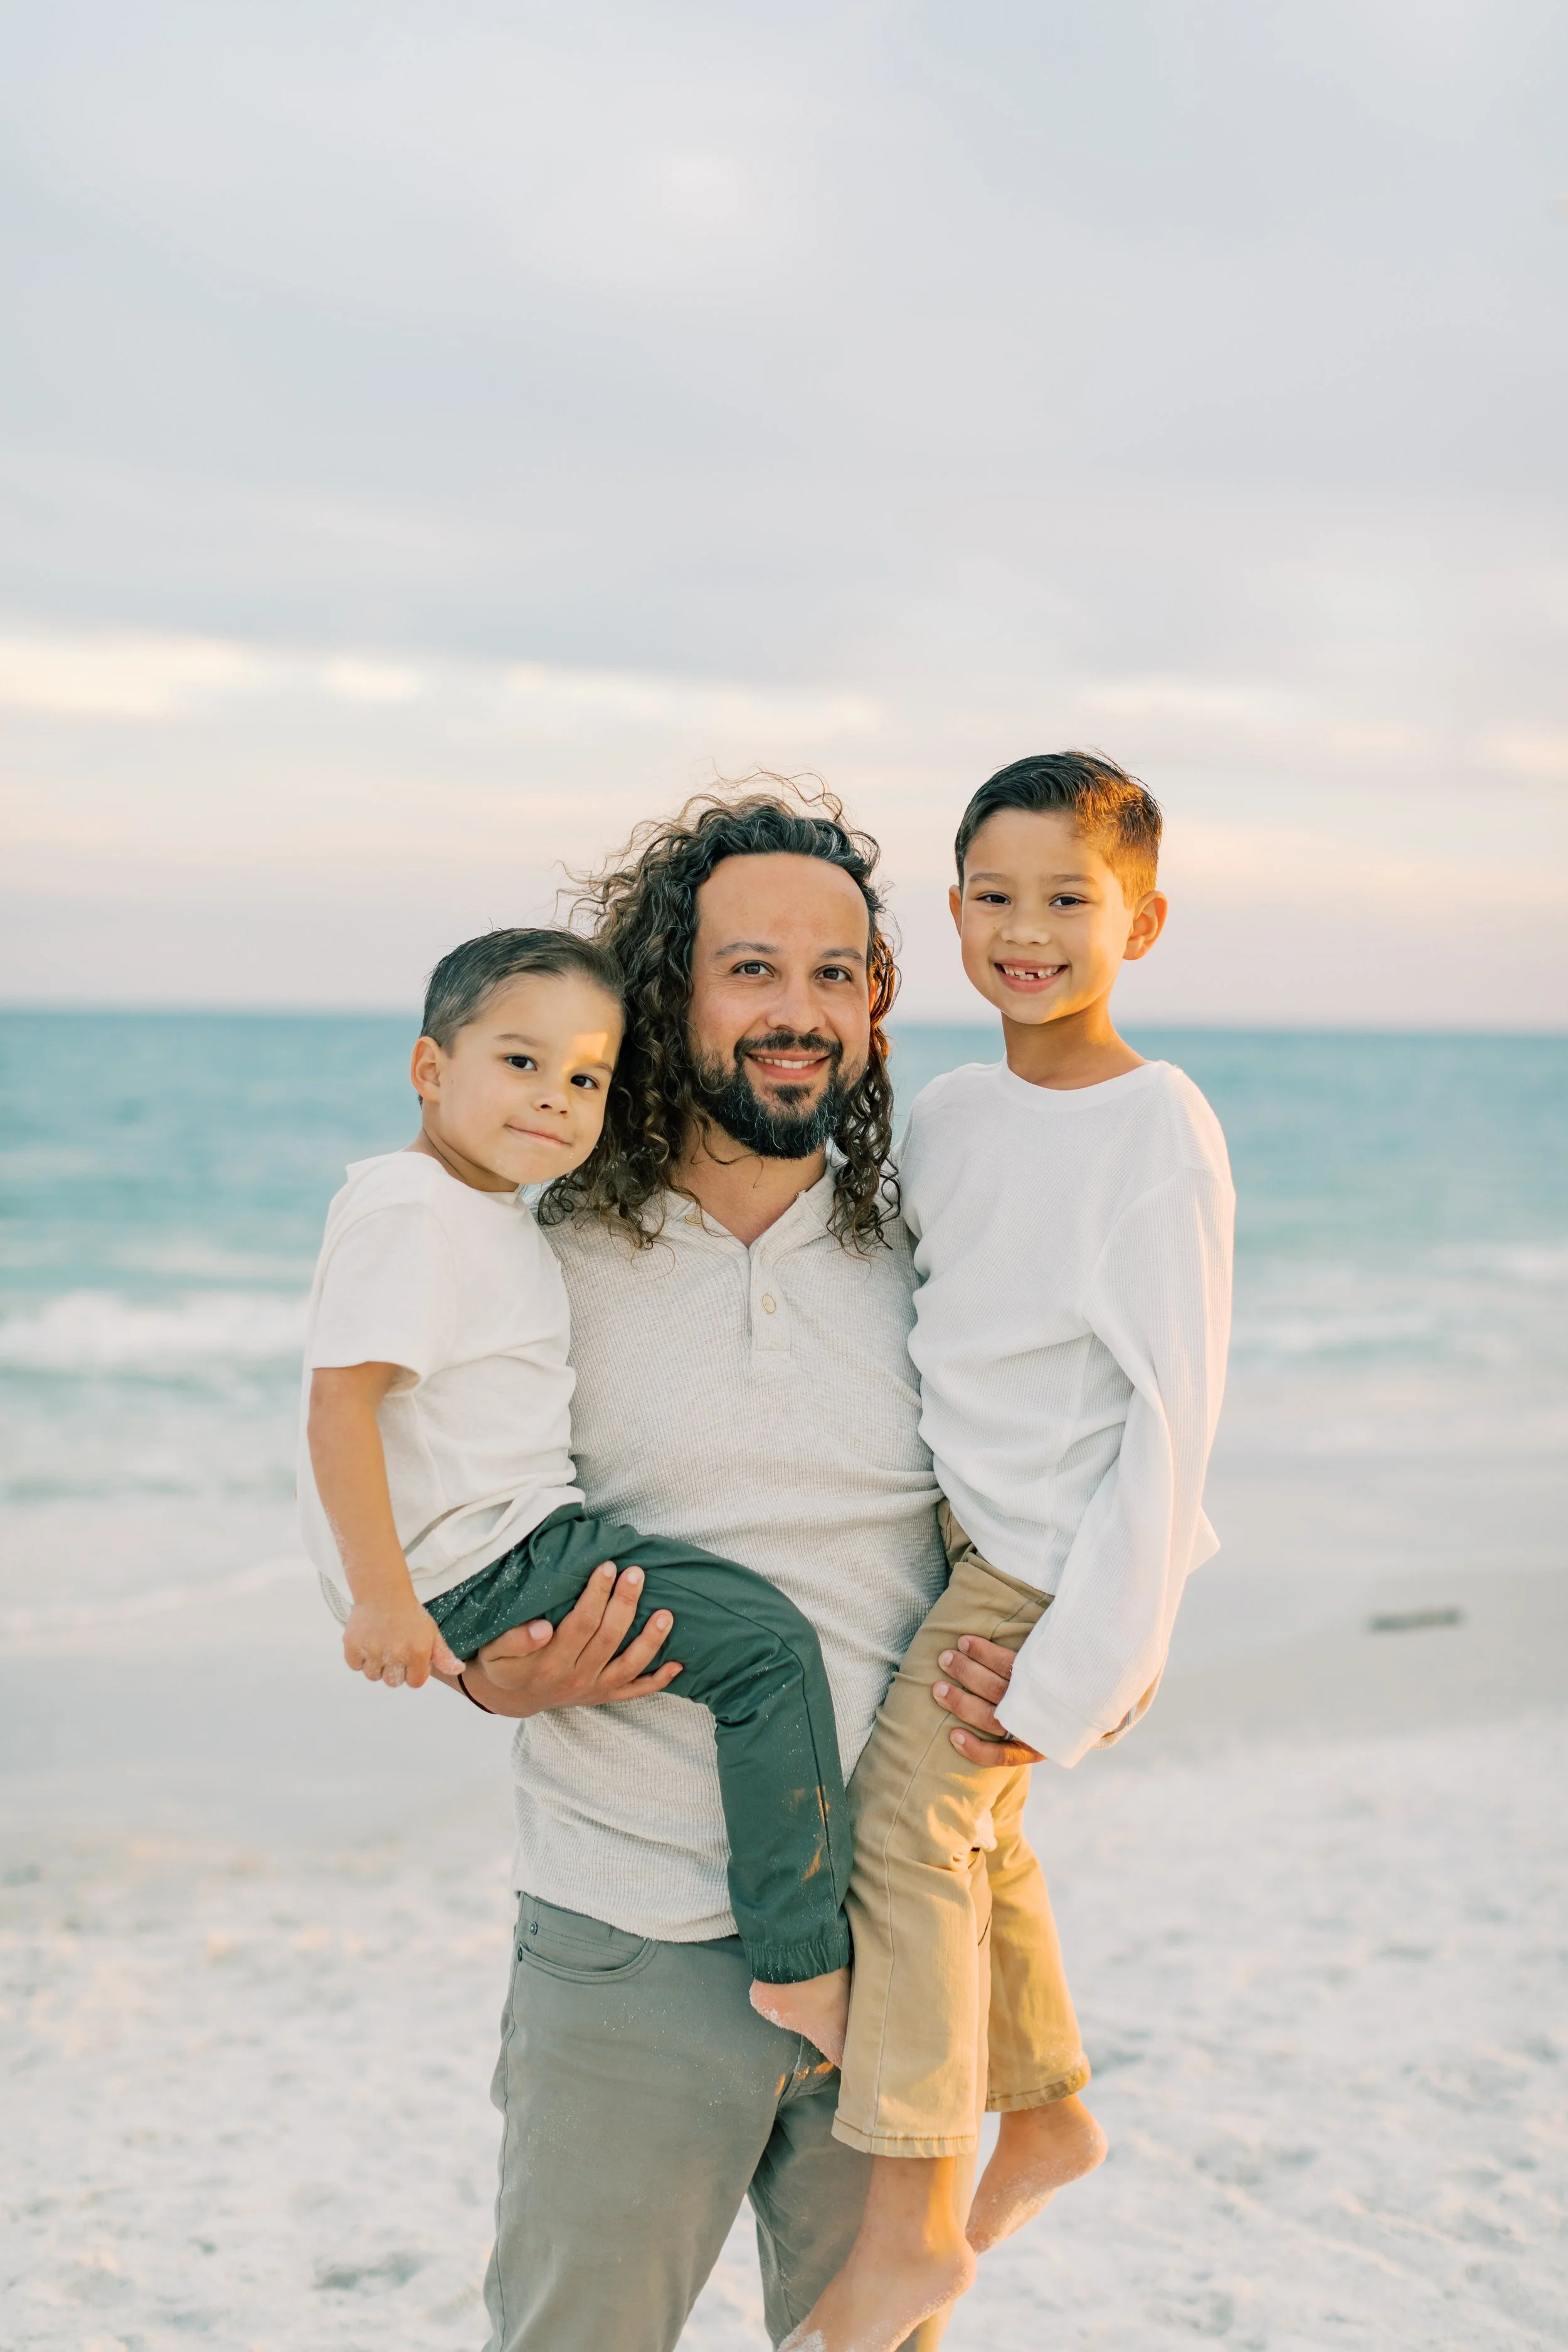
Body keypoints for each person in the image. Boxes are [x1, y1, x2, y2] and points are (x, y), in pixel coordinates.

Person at [444, 788, 1103, 2352]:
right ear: (667, 995)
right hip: (625, 1943)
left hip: (896, 1960)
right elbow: (437, 1534)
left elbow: (1074, 1487)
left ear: (875, 1009)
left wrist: (1092, 1678)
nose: (794, 1015)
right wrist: (491, 1671)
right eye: (749, 970)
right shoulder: (536, 1253)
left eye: (833, 976)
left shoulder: (939, 1251)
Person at [787, 751, 1236, 2352]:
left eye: (1068, 898)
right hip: (948, 1536)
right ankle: (1043, 2110)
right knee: (981, 1841)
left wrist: (1089, 1670)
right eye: (993, 896)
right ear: (953, 911)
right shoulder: (955, 1111)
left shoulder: (1157, 1125)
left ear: (1144, 920)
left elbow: (1172, 1418)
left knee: (909, 1824)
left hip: (1045, 1561)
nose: (1025, 929)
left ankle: (913, 2215)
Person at [298, 925, 857, 2047]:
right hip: (498, 1562)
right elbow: (339, 1405)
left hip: (517, 1545)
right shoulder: (412, 1209)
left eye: (586, 1077)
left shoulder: (480, 1208)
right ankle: (801, 1962)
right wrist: (382, 1598)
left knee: (755, 1642)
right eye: (520, 1061)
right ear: (429, 1070)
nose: (554, 1096)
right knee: (771, 1649)